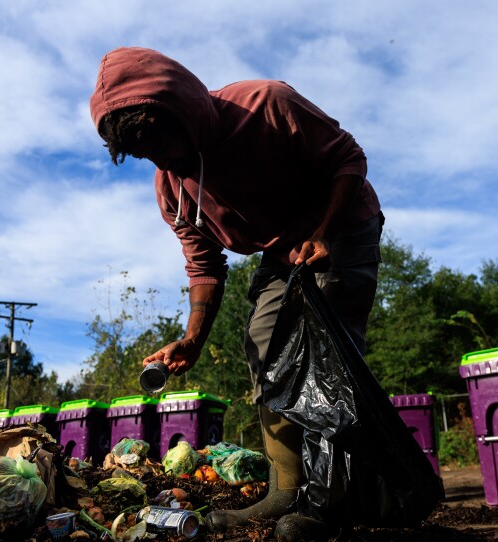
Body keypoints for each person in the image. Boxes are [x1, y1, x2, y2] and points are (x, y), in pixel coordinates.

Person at [90, 47, 384, 541]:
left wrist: (324, 231)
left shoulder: (268, 105)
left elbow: (348, 159)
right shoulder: (172, 189)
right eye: (149, 155)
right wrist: (192, 339)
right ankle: (286, 490)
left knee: (326, 352)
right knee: (265, 343)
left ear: (185, 107)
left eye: (166, 142)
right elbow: (204, 265)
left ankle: (332, 499)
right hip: (282, 248)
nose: (164, 159)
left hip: (343, 224)